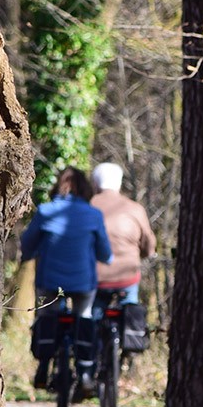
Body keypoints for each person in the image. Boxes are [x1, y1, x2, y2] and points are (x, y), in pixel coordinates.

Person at [20, 166, 112, 389]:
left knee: (46, 313)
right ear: (86, 189)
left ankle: (43, 365)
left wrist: (30, 254)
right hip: (83, 282)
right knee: (85, 316)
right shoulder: (94, 215)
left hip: (50, 280)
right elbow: (104, 253)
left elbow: (27, 245)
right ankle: (85, 370)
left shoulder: (45, 211)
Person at [90, 162, 156, 307]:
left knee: (92, 314)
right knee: (129, 310)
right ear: (119, 183)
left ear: (95, 183)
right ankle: (129, 326)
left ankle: (92, 327)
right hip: (127, 276)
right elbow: (148, 245)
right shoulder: (135, 209)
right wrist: (143, 254)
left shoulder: (86, 207)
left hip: (95, 278)